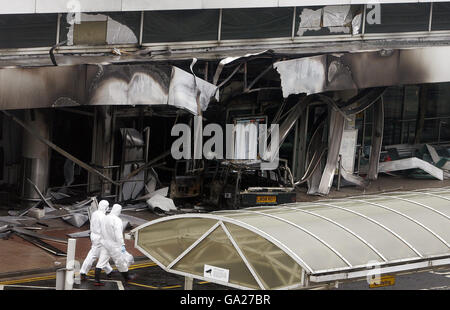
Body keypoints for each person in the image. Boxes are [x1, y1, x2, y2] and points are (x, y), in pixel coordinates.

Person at [95, 204, 136, 286]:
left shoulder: (104, 218)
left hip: (104, 243)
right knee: (120, 262)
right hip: (114, 245)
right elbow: (119, 235)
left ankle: (97, 280)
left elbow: (100, 230)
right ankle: (127, 277)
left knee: (101, 262)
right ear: (118, 211)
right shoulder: (117, 220)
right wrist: (122, 245)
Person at [80, 200, 113, 282]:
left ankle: (109, 271)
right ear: (105, 207)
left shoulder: (95, 213)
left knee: (100, 254)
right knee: (93, 255)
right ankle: (83, 273)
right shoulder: (102, 216)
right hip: (99, 237)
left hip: (93, 235)